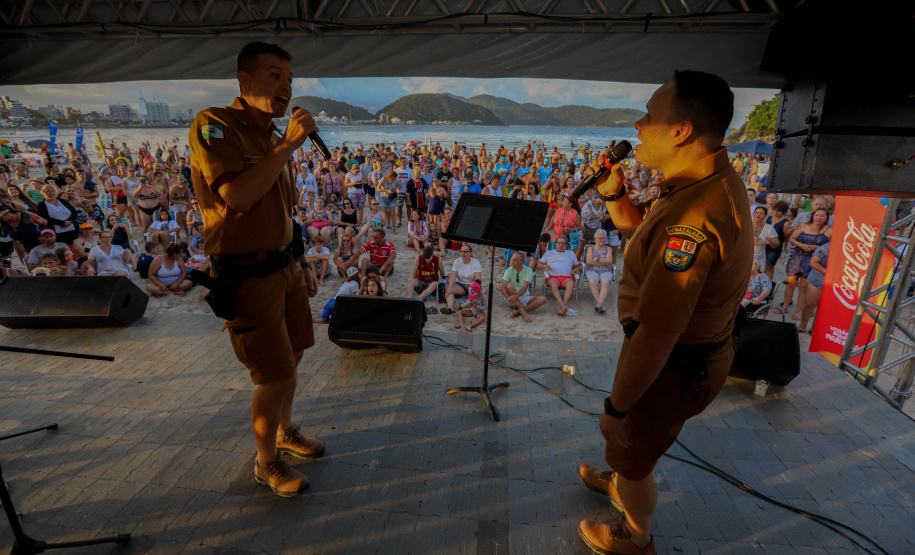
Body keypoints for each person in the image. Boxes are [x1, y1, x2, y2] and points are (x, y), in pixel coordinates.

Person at [577, 71, 752, 555]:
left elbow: (656, 335)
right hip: (681, 355)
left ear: (681, 131)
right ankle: (625, 469)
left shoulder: (694, 213)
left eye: (649, 116)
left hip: (673, 364)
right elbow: (644, 241)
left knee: (632, 447)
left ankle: (635, 535)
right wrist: (614, 195)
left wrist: (615, 410)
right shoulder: (699, 185)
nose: (637, 125)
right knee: (639, 441)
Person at [189, 41, 322, 498]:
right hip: (246, 275)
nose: (286, 86)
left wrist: (300, 261)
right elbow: (239, 198)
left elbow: (283, 212)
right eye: (274, 76)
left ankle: (285, 432)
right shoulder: (215, 125)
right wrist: (288, 146)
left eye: (289, 78)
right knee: (274, 374)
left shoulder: (270, 138)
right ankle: (267, 462)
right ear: (244, 81)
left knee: (296, 354)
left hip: (284, 268)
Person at [780, 207, 831, 321]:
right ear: (813, 215)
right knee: (790, 283)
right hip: (797, 256)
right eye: (817, 215)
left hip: (813, 260)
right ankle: (785, 306)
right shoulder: (803, 225)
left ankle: (798, 312)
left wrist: (816, 248)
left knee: (803, 287)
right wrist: (801, 245)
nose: (819, 218)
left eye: (822, 216)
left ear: (827, 217)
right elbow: (792, 239)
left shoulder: (829, 230)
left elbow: (830, 247)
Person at [537, 235, 580, 317]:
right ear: (555, 244)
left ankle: (562, 306)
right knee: (553, 284)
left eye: (563, 243)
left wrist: (575, 271)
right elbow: (539, 264)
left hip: (567, 278)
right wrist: (544, 266)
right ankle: (563, 306)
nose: (561, 245)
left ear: (566, 245)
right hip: (553, 277)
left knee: (570, 284)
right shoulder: (549, 253)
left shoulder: (571, 253)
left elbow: (577, 266)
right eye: (559, 243)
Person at [501, 251, 547, 322]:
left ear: (522, 262)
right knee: (510, 286)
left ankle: (518, 312)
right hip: (510, 299)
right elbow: (503, 288)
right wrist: (509, 298)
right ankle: (522, 312)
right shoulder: (509, 270)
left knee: (543, 299)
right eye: (512, 259)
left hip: (523, 296)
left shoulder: (528, 271)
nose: (512, 262)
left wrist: (516, 297)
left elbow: (524, 288)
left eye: (515, 260)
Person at [440, 243, 482, 315]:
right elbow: (453, 276)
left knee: (483, 291)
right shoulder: (457, 261)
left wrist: (474, 288)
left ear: (470, 253)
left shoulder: (476, 262)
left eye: (465, 251)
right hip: (460, 285)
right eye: (461, 251)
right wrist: (450, 288)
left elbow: (478, 278)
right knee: (448, 289)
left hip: (472, 285)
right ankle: (450, 308)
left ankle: (462, 306)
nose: (463, 253)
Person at [584, 229, 616, 314]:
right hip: (591, 269)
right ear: (595, 239)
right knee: (592, 282)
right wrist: (603, 261)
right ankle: (600, 304)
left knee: (605, 283)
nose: (602, 240)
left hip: (606, 270)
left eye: (603, 238)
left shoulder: (608, 248)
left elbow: (609, 262)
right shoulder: (590, 249)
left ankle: (599, 304)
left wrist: (597, 259)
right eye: (600, 238)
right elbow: (589, 262)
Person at [800, 242, 829, 333]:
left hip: (838, 283)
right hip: (817, 280)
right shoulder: (826, 247)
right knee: (809, 304)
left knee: (824, 307)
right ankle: (802, 326)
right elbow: (813, 262)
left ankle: (814, 329)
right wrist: (830, 274)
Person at [751, 205, 779, 272]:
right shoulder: (746, 225)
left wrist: (770, 242)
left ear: (765, 216)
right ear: (753, 214)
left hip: (759, 259)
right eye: (756, 213)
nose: (758, 215)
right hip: (744, 255)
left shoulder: (769, 228)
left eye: (761, 213)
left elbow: (777, 243)